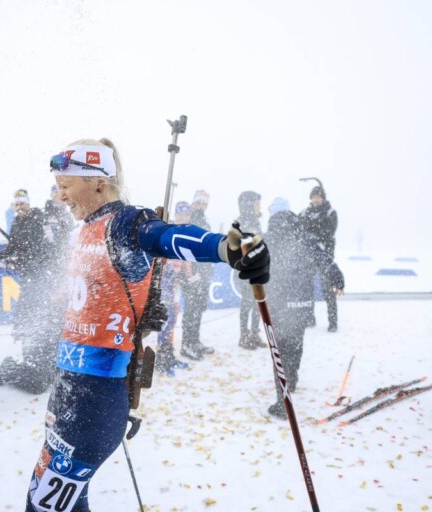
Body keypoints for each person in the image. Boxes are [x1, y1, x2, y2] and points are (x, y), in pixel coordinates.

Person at [25, 138, 269, 511]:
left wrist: (226, 248)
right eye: (57, 187)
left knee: (43, 506)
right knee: (67, 502)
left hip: (94, 398)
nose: (60, 196)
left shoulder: (124, 223)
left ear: (98, 183)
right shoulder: (83, 229)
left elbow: (166, 237)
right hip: (67, 391)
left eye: (65, 186)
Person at [263, 198, 344, 419]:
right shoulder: (304, 235)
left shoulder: (268, 239)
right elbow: (324, 258)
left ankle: (283, 401)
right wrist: (337, 277)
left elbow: (248, 266)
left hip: (279, 302)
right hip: (302, 301)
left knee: (280, 350)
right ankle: (292, 379)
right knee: (295, 342)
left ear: (273, 216)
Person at [0, 189, 59, 394]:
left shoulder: (39, 218)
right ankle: (25, 361)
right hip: (30, 279)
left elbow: (47, 246)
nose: (20, 207)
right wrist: (0, 256)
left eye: (23, 203)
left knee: (48, 318)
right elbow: (14, 246)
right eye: (17, 204)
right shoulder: (16, 223)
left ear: (29, 203)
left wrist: (33, 259)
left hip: (43, 276)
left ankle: (42, 362)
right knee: (27, 316)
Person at [154, 201, 191, 376]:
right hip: (165, 284)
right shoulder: (170, 231)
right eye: (181, 214)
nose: (184, 218)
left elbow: (185, 260)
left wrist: (186, 276)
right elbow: (162, 257)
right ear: (176, 215)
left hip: (176, 284)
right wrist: (170, 274)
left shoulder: (186, 234)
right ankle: (161, 359)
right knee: (165, 321)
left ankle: (169, 355)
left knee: (173, 319)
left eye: (186, 215)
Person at [180, 189, 216, 360]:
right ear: (194, 202)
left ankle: (195, 341)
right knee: (190, 311)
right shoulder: (190, 220)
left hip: (203, 273)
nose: (201, 206)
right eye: (199, 202)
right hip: (191, 275)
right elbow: (186, 247)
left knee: (198, 310)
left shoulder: (205, 221)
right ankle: (186, 344)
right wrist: (191, 273)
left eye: (204, 203)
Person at [299, 185, 339, 332]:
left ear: (323, 198)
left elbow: (328, 232)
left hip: (325, 256)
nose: (316, 200)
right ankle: (309, 318)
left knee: (328, 289)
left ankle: (333, 322)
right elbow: (299, 230)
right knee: (307, 288)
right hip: (308, 256)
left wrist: (312, 228)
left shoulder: (330, 212)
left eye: (319, 197)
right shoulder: (304, 212)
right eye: (314, 197)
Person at [235, 191, 266, 350]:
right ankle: (244, 335)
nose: (259, 206)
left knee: (257, 302)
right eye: (256, 203)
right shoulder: (241, 223)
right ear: (248, 205)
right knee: (247, 302)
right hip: (247, 270)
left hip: (258, 269)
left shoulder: (255, 221)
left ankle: (254, 333)